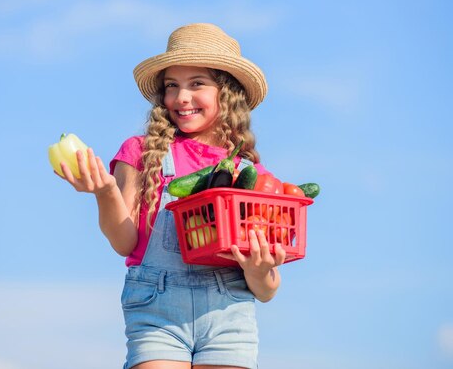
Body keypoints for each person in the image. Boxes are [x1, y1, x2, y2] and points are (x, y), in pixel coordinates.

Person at [55, 23, 285, 369]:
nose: (181, 98)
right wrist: (104, 192)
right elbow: (124, 241)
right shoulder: (142, 152)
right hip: (157, 310)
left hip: (229, 314)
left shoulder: (252, 177)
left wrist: (259, 271)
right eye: (171, 86)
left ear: (227, 93)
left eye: (197, 84)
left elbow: (266, 290)